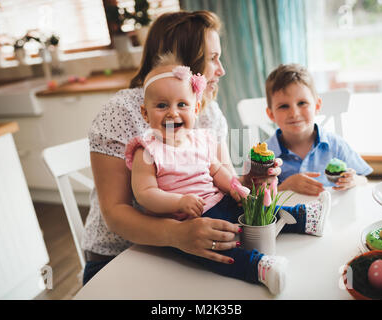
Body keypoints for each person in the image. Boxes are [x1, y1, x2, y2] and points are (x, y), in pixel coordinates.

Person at [81, 10, 282, 286]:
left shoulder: (207, 111)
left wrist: (253, 182)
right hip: (118, 258)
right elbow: (116, 212)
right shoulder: (122, 110)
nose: (221, 69)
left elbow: (219, 183)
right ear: (183, 62)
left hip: (187, 250)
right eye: (213, 58)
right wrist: (177, 234)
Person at [125, 57, 332, 295]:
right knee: (218, 250)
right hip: (188, 221)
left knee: (258, 212)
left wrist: (235, 187)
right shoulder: (147, 150)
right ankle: (258, 267)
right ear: (145, 112)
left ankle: (306, 219)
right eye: (162, 106)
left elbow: (216, 170)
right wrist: (179, 201)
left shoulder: (200, 139)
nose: (172, 113)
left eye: (182, 104)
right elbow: (145, 194)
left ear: (196, 109)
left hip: (220, 200)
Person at [264, 64, 373, 196]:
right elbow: (256, 197)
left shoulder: (336, 145)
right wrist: (285, 186)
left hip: (333, 213)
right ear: (271, 114)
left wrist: (353, 180)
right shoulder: (265, 157)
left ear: (317, 105)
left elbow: (364, 179)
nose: (294, 113)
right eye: (284, 106)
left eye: (302, 103)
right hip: (286, 216)